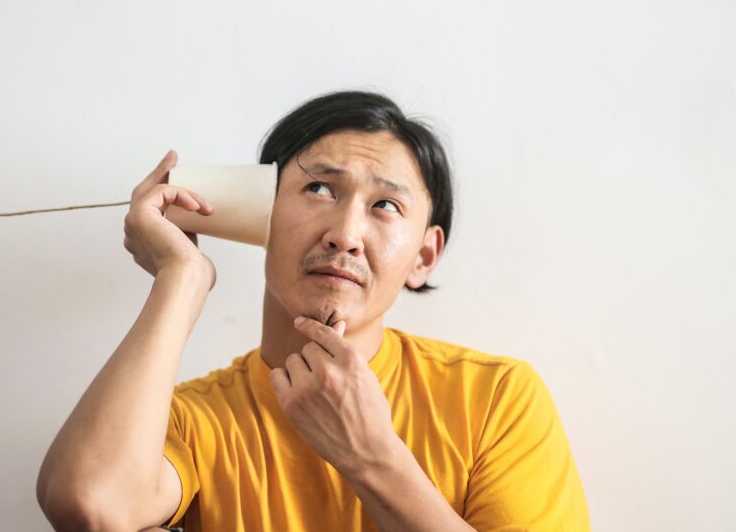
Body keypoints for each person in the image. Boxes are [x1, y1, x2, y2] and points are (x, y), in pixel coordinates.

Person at [36, 90, 591, 531]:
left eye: (386, 206)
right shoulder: (188, 419)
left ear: (423, 256)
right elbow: (90, 504)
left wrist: (371, 456)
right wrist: (181, 278)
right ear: (258, 215)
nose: (346, 235)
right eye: (320, 188)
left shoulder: (496, 399)